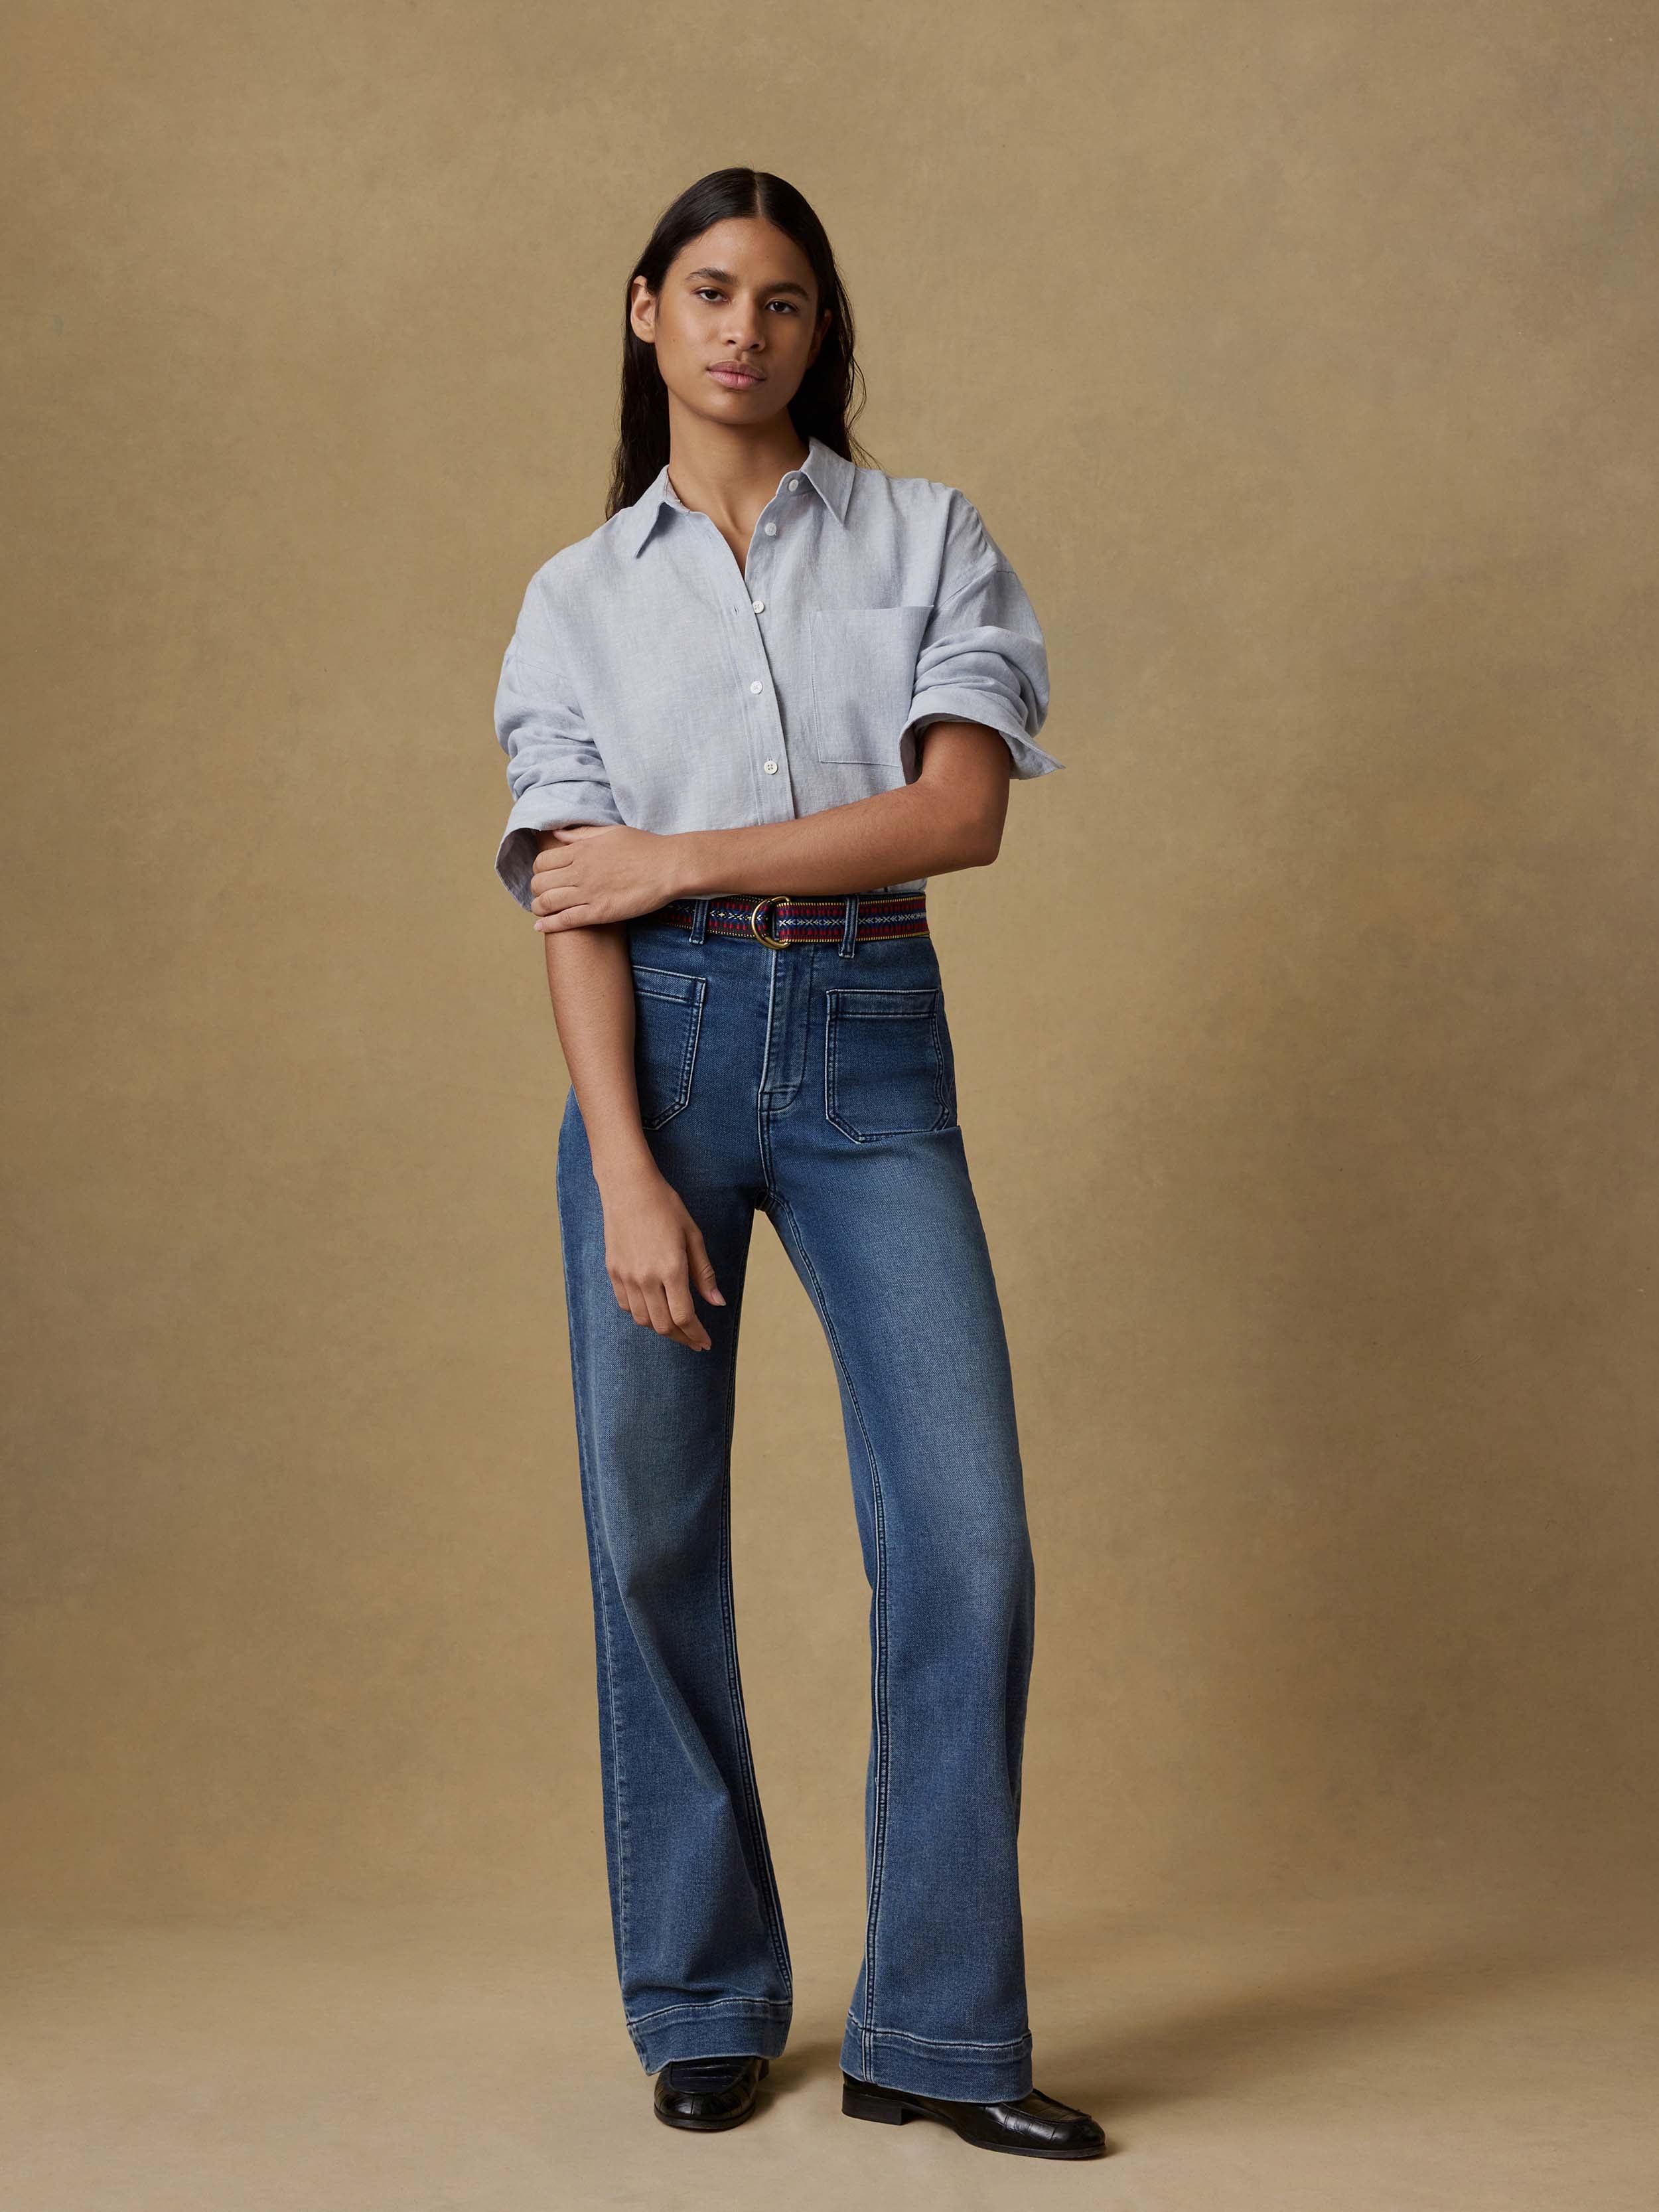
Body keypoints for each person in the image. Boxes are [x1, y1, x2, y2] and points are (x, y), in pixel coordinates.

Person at [490, 166, 1109, 2163]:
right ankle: (701, 1998)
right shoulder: (577, 599)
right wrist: (626, 1168)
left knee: (966, 1545)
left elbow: (954, 819)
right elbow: (569, 906)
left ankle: (935, 2033)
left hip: (867, 1049)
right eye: (707, 291)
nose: (744, 328)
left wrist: (685, 855)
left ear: (820, 330)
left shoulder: (927, 539)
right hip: (651, 1066)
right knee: (651, 1538)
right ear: (645, 315)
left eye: (782, 298)